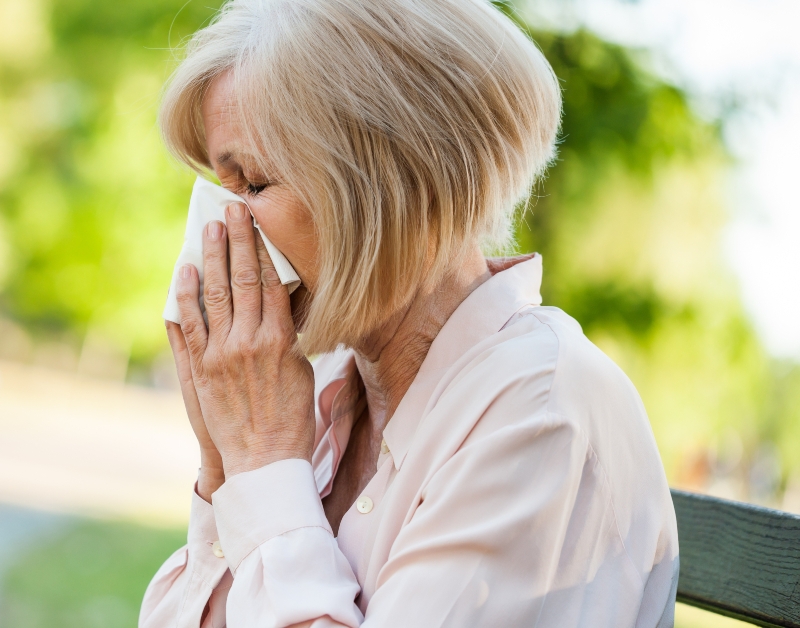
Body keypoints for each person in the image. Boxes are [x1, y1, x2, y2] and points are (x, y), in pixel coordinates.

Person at [141, 0, 678, 627]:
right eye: (220, 187)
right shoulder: (326, 394)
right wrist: (225, 467)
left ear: (392, 186)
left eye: (253, 184)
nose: (220, 226)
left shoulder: (541, 413)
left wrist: (261, 461)